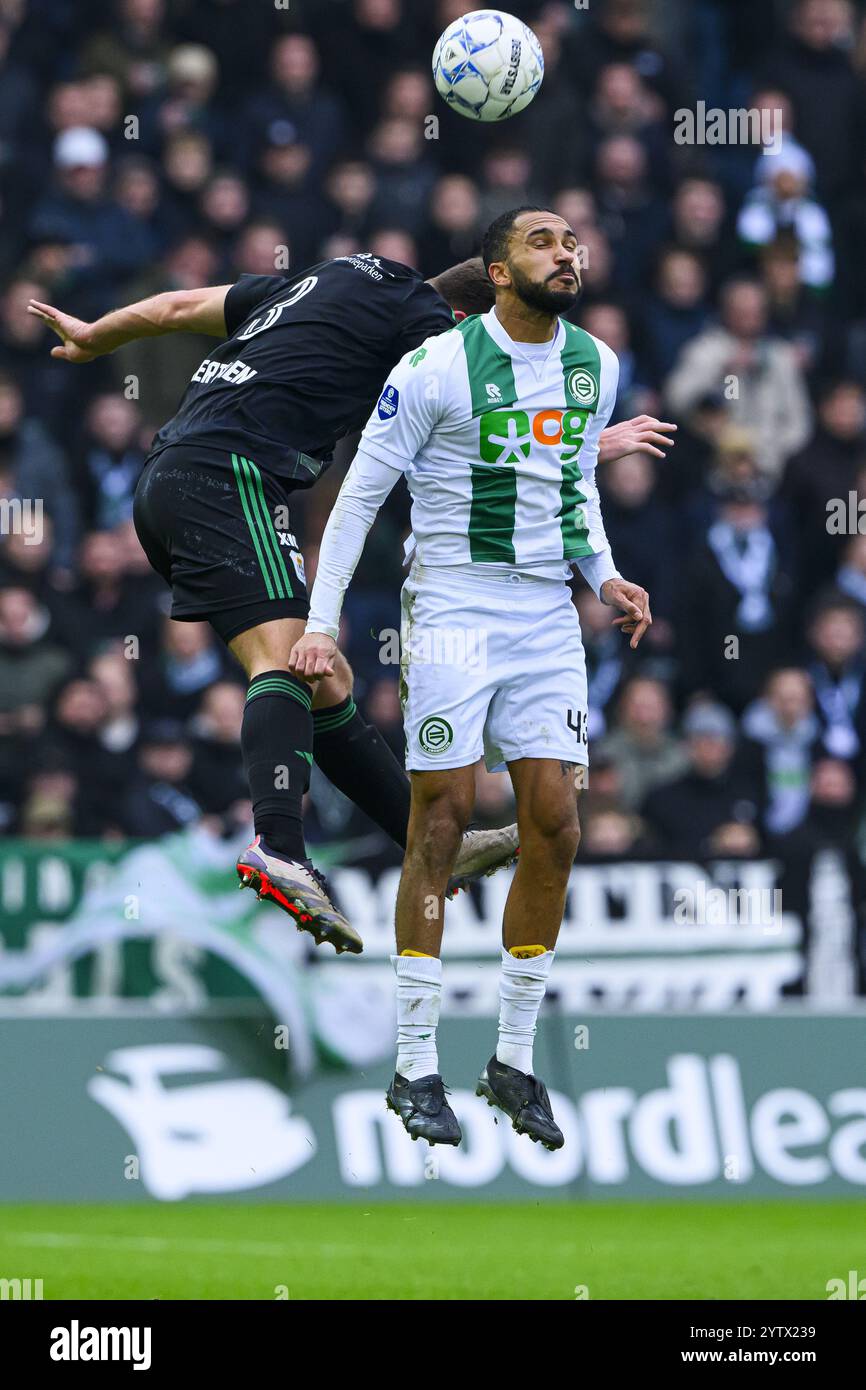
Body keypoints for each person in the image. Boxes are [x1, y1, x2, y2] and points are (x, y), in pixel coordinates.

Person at [290, 207, 671, 1150]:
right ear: (497, 270)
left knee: (556, 823)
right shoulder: (432, 368)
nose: (567, 252)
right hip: (454, 606)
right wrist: (320, 625)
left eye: (575, 240)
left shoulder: (596, 363)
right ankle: (415, 1063)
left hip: (546, 613)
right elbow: (356, 500)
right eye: (544, 241)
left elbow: (573, 486)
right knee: (446, 819)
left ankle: (510, 1057)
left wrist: (605, 576)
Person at [27, 250, 520, 956]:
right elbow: (483, 433)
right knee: (287, 662)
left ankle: (434, 844)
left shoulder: (325, 281)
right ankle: (280, 847)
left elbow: (172, 308)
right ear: (466, 319)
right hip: (225, 476)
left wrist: (97, 335)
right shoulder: (429, 319)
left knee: (326, 678)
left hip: (171, 480)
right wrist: (587, 447)